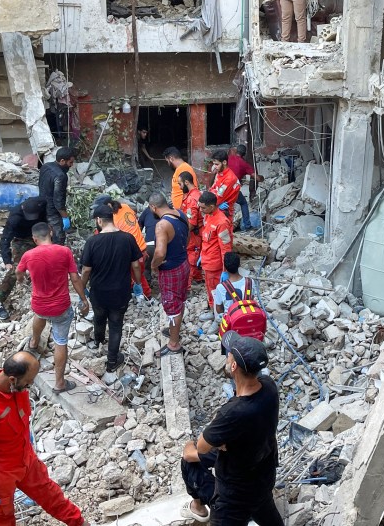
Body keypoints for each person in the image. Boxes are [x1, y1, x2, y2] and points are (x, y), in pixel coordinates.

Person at [0, 351, 90, 526]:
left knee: (53, 497)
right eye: (28, 382)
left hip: (27, 461)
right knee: (3, 518)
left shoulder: (17, 390)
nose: (30, 386)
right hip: (1, 472)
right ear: (13, 380)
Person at [189, 331, 283, 526]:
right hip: (263, 477)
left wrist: (222, 443)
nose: (227, 354)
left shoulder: (233, 413)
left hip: (235, 494)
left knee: (189, 455)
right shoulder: (269, 387)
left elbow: (202, 447)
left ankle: (198, 506)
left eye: (229, 354)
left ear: (233, 366)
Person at [15, 223, 89, 392]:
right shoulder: (64, 251)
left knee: (39, 315)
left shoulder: (28, 255)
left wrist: (22, 280)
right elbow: (75, 278)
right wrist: (84, 300)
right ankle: (59, 383)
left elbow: (19, 273)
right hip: (61, 307)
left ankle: (34, 342)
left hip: (40, 305)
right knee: (60, 342)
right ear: (51, 232)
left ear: (34, 239)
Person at [80, 204, 144, 374]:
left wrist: (83, 289)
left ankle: (98, 342)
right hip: (120, 291)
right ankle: (112, 361)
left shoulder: (92, 242)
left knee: (99, 317)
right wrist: (138, 284)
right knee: (116, 325)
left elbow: (86, 270)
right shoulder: (127, 238)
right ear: (112, 218)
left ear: (99, 220)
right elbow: (136, 265)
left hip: (98, 292)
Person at [148, 192, 191, 358]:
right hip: (183, 263)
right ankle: (174, 330)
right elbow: (186, 237)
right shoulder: (181, 214)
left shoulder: (162, 225)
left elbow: (159, 253)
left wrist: (153, 266)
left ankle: (174, 344)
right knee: (180, 299)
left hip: (171, 270)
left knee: (172, 305)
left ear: (153, 207)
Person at [0, 196, 48, 320]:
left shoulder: (42, 203)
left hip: (41, 234)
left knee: (51, 259)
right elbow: (5, 238)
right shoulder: (15, 217)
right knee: (16, 270)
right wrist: (7, 260)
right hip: (22, 239)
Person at [91, 195, 152, 299]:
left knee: (135, 275)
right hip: (141, 248)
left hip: (132, 251)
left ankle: (145, 296)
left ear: (109, 205)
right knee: (137, 274)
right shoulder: (125, 207)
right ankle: (139, 292)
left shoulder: (112, 219)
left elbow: (105, 235)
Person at [199, 191, 233, 317]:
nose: (200, 210)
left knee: (216, 291)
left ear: (212, 207)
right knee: (210, 288)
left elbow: (226, 248)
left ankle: (219, 317)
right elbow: (207, 239)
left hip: (215, 265)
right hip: (207, 261)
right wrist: (202, 255)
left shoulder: (222, 222)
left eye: (203, 207)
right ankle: (213, 310)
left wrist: (225, 269)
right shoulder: (208, 216)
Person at [38, 147, 76, 245]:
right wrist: (65, 217)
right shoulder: (61, 176)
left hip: (41, 206)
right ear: (62, 161)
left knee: (45, 236)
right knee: (58, 239)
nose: (71, 166)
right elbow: (58, 201)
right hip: (52, 212)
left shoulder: (45, 166)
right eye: (70, 163)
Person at [228, 144, 263, 232]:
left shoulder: (229, 158)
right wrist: (262, 177)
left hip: (223, 186)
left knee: (224, 206)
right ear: (244, 154)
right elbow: (257, 178)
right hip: (233, 188)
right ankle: (247, 226)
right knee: (243, 203)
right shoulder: (245, 164)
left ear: (236, 151)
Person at [178, 171, 204, 287]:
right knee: (195, 255)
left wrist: (182, 235)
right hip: (197, 232)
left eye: (180, 184)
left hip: (194, 233)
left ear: (186, 182)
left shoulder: (192, 199)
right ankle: (198, 278)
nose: (179, 187)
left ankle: (186, 287)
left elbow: (191, 223)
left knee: (191, 259)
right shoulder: (195, 194)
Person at [212, 252, 257, 317]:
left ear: (225, 267)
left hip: (232, 322)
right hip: (248, 318)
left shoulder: (221, 287)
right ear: (239, 265)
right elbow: (251, 299)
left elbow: (219, 309)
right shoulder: (250, 282)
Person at [209, 149, 241, 221]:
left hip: (224, 212)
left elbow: (218, 198)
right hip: (215, 207)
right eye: (213, 164)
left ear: (224, 162)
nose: (214, 167)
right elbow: (212, 188)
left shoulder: (229, 179)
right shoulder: (219, 173)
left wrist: (211, 201)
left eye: (216, 164)